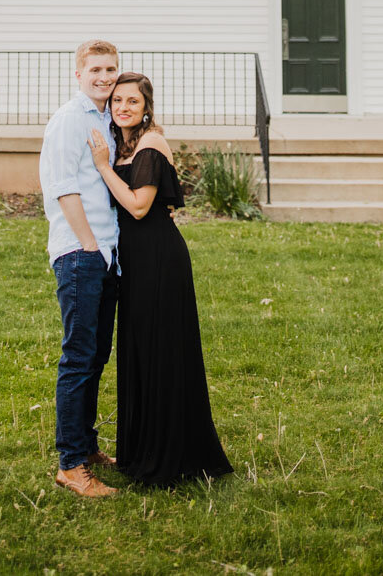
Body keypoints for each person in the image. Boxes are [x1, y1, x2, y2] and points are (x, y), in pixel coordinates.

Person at [87, 73, 233, 487]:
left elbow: (137, 206)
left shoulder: (150, 144)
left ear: (146, 106)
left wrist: (102, 167)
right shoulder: (127, 143)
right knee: (139, 352)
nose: (123, 107)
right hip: (134, 261)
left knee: (161, 352)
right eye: (117, 100)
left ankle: (170, 457)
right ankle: (140, 452)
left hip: (159, 261)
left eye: (132, 101)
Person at [38, 39, 120, 498]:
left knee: (96, 356)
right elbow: (61, 185)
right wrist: (88, 243)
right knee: (78, 357)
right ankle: (70, 465)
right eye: (96, 70)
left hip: (106, 254)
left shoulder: (104, 119)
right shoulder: (70, 120)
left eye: (111, 69)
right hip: (79, 254)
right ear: (78, 74)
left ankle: (86, 447)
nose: (105, 77)